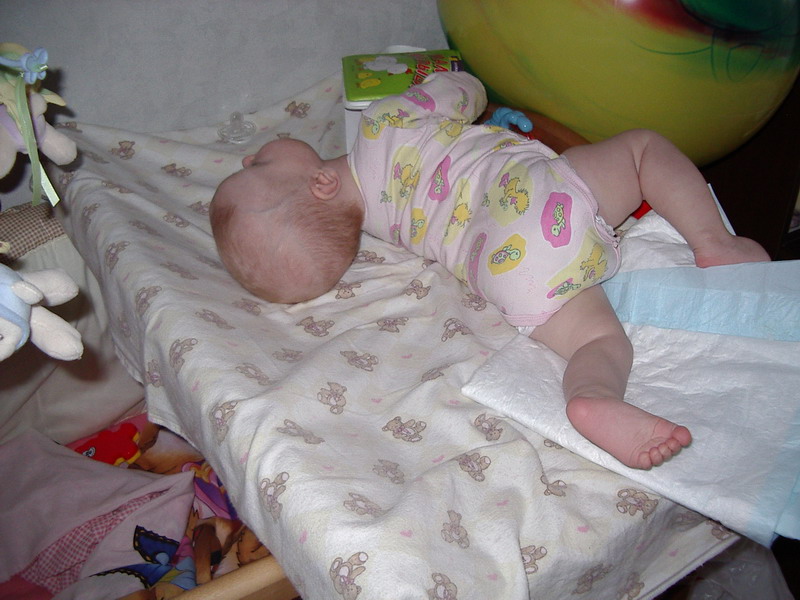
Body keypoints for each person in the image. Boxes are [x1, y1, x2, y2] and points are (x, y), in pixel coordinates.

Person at [210, 72, 769, 470]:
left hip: (508, 273)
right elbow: (465, 90)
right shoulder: (382, 124)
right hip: (535, 198)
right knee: (642, 151)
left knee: (599, 340)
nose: (250, 155)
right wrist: (457, 82)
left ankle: (596, 396)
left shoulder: (378, 226)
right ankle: (714, 243)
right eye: (259, 165)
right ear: (320, 182)